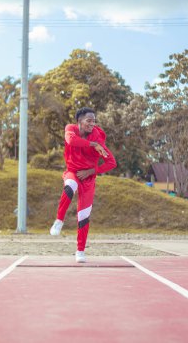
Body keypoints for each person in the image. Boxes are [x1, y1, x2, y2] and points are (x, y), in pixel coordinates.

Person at [50, 107, 117, 263]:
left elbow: (111, 162)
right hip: (72, 171)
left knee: (83, 216)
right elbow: (71, 141)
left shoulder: (98, 139)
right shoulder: (70, 129)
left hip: (88, 179)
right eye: (89, 120)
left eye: (94, 121)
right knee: (70, 185)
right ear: (79, 121)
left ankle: (80, 251)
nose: (92, 124)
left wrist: (93, 170)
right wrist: (92, 145)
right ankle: (59, 221)